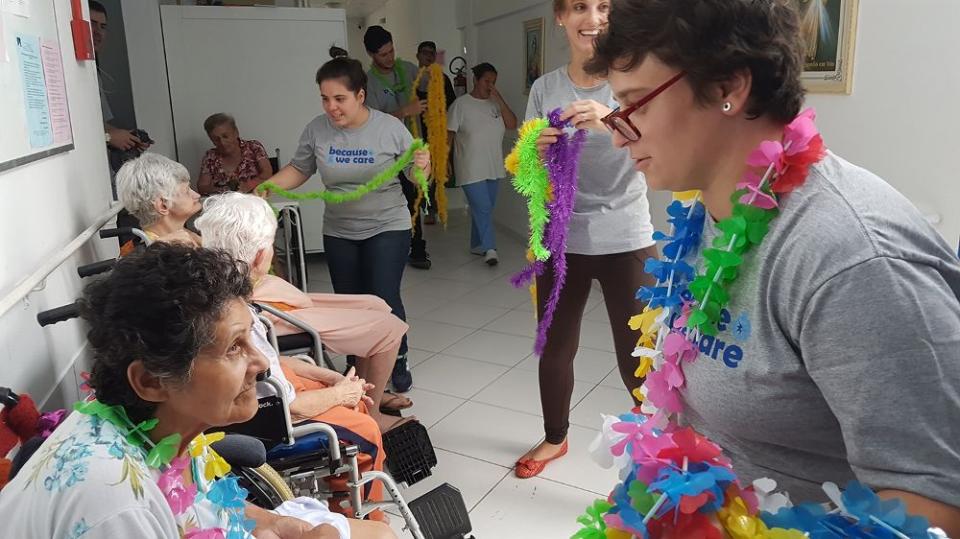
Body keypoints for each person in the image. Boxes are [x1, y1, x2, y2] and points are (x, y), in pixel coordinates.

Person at [587, 0, 960, 534]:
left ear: (726, 89)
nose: (617, 132)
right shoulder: (705, 213)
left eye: (633, 105)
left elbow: (938, 500)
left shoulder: (849, 257)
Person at [0, 243, 395, 539]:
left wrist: (277, 522)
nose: (259, 365)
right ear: (152, 381)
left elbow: (201, 498)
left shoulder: (159, 427)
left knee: (379, 534)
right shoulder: (115, 505)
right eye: (234, 347)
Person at [513, 0, 658, 479]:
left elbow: (661, 146)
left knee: (639, 352)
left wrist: (611, 119)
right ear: (560, 17)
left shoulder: (638, 76)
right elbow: (524, 167)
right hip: (561, 236)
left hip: (627, 235)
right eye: (579, 7)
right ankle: (555, 438)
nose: (592, 18)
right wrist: (534, 149)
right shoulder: (545, 87)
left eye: (603, 7)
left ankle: (656, 449)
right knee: (554, 348)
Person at [263, 57, 431, 394]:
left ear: (360, 95)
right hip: (339, 229)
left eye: (339, 99)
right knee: (350, 302)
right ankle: (357, 365)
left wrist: (423, 167)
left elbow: (414, 175)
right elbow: (300, 168)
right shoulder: (317, 129)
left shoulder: (388, 128)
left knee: (383, 296)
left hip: (387, 223)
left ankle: (396, 358)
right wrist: (265, 188)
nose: (331, 107)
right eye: (325, 99)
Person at [196, 192, 414, 432]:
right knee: (389, 326)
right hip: (266, 307)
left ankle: (364, 391)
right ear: (260, 257)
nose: (194, 194)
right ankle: (371, 417)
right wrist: (338, 393)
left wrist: (337, 383)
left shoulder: (203, 276)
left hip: (264, 296)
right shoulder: (244, 321)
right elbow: (291, 405)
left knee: (376, 304)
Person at [363, 26, 432, 270]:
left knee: (414, 196)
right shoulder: (368, 83)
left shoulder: (406, 68)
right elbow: (370, 121)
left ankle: (417, 248)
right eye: (383, 54)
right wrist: (404, 111)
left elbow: (430, 82)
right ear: (371, 55)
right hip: (384, 154)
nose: (390, 58)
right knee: (390, 200)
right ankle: (390, 246)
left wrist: (428, 66)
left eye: (392, 51)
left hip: (411, 148)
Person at [446, 63, 517, 265]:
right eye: (487, 81)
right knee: (483, 207)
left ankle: (476, 245)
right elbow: (448, 135)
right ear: (476, 80)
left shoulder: (495, 105)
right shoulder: (461, 105)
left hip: (493, 166)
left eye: (493, 82)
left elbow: (512, 124)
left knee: (484, 208)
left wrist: (500, 100)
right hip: (469, 166)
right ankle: (490, 249)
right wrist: (445, 161)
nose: (490, 85)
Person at [115, 152, 202, 255]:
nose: (197, 195)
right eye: (187, 190)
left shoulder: (188, 236)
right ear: (163, 205)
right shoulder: (153, 256)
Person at [414, 41, 457, 226]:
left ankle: (435, 207)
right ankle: (426, 208)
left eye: (432, 53)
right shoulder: (411, 77)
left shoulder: (443, 79)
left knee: (438, 170)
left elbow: (451, 106)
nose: (429, 57)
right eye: (425, 53)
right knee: (421, 171)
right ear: (418, 56)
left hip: (437, 133)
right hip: (416, 131)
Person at [197, 113, 273, 195]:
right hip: (225, 203)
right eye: (216, 139)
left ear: (236, 132)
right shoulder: (210, 156)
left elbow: (267, 174)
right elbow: (202, 187)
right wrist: (226, 191)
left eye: (225, 136)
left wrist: (249, 185)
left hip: (255, 199)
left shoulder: (254, 147)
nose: (222, 142)